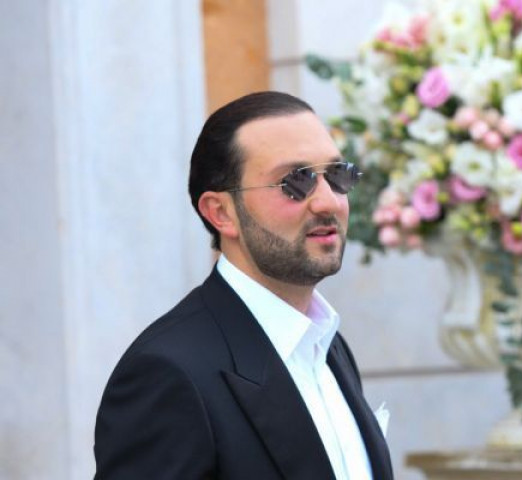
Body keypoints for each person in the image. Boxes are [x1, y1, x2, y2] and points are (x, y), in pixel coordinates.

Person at [94, 91, 393, 479]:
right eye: (295, 181)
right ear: (221, 213)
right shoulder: (167, 372)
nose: (329, 202)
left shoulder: (327, 344)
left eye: (337, 175)